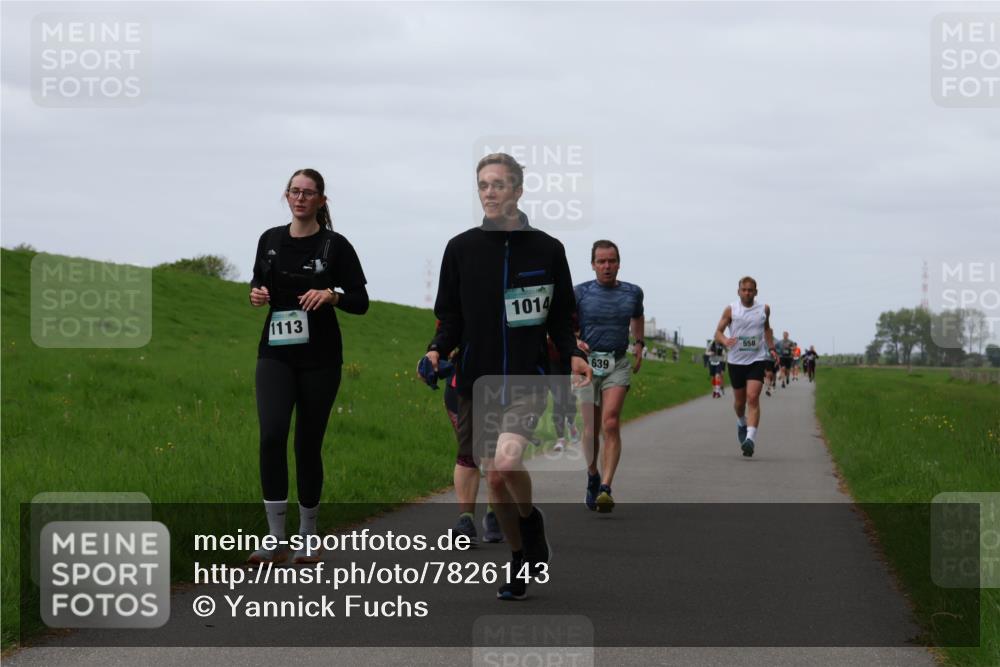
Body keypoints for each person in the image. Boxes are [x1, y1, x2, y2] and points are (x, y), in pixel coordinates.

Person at [419, 153, 591, 601]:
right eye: (483, 185)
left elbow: (560, 317)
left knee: (504, 467)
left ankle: (530, 521)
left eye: (498, 185)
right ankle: (520, 553)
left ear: (517, 189)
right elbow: (450, 316)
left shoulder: (548, 249)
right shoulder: (461, 248)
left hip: (528, 377)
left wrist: (572, 353)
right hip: (478, 380)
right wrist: (437, 350)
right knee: (493, 474)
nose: (490, 193)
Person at [248, 168, 369, 564]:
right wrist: (257, 294)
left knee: (307, 443)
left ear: (321, 200)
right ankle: (273, 535)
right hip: (275, 353)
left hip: (320, 357)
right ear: (286, 196)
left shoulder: (335, 246)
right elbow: (258, 285)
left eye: (308, 193)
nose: (300, 198)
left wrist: (331, 295)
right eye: (294, 191)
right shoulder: (269, 239)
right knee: (272, 435)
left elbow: (359, 301)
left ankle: (307, 533)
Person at [575, 240, 645, 513]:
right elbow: (565, 323)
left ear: (619, 262)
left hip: (616, 362)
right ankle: (592, 474)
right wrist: (574, 342)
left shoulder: (632, 292)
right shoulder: (580, 292)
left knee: (611, 422)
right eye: (601, 261)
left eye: (612, 260)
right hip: (587, 364)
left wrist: (639, 344)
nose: (607, 266)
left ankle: (606, 486)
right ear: (593, 264)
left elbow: (637, 317)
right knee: (591, 427)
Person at [427, 336, 503, 545]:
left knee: (494, 456)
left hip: (504, 384)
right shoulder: (462, 304)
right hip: (461, 385)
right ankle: (465, 520)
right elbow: (448, 325)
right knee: (468, 452)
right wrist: (435, 351)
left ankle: (495, 514)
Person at [715, 276, 777, 457]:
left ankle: (750, 439)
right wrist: (725, 340)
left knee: (753, 397)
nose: (747, 293)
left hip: (756, 359)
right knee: (740, 403)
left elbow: (767, 329)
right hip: (735, 361)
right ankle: (741, 422)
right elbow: (718, 332)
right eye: (744, 290)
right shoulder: (731, 310)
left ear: (756, 292)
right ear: (739, 291)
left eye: (751, 290)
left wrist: (771, 347)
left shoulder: (764, 309)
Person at [547, 336, 580, 452]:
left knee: (569, 399)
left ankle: (571, 424)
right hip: (551, 363)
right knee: (558, 399)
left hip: (569, 360)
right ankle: (560, 438)